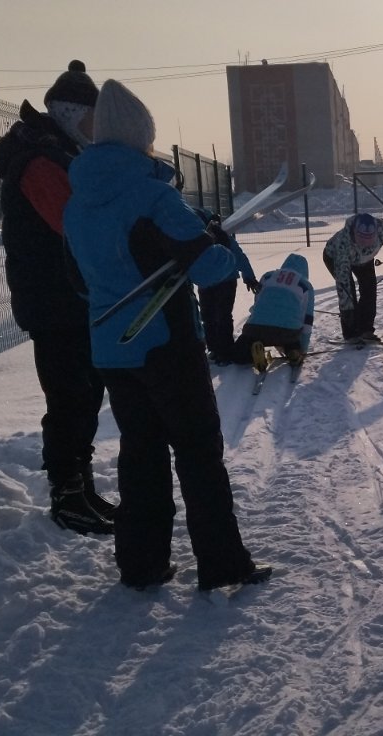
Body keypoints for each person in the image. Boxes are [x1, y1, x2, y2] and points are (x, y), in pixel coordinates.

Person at [64, 79, 269, 591]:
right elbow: (210, 269)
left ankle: (141, 563)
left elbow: (76, 278)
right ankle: (222, 564)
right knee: (198, 453)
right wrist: (215, 243)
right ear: (140, 137)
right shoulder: (153, 195)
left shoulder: (76, 202)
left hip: (112, 347)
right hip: (166, 344)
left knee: (140, 453)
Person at [0, 60, 115, 536]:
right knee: (69, 398)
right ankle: (67, 496)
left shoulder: (61, 153)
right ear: (66, 113)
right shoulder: (41, 161)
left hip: (73, 298)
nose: (94, 129)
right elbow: (74, 223)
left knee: (86, 393)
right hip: (54, 302)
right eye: (89, 118)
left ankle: (82, 488)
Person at [322, 212, 383, 343]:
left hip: (365, 260)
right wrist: (348, 312)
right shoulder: (343, 244)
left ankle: (366, 329)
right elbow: (343, 284)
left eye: (370, 242)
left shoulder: (381, 228)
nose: (366, 246)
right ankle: (350, 333)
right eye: (362, 243)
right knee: (349, 291)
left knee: (369, 289)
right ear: (354, 236)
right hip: (334, 257)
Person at [197, 214, 261, 365]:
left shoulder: (222, 238)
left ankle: (224, 351)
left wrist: (249, 276)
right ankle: (215, 349)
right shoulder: (198, 238)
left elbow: (238, 256)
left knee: (220, 316)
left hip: (224, 281)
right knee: (209, 316)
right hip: (209, 282)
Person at [234, 253, 315, 367]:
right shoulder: (306, 285)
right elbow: (307, 321)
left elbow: (257, 301)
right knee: (290, 340)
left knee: (241, 348)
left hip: (256, 328)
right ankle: (293, 351)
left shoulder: (268, 276)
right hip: (287, 331)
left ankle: (252, 353)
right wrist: (304, 349)